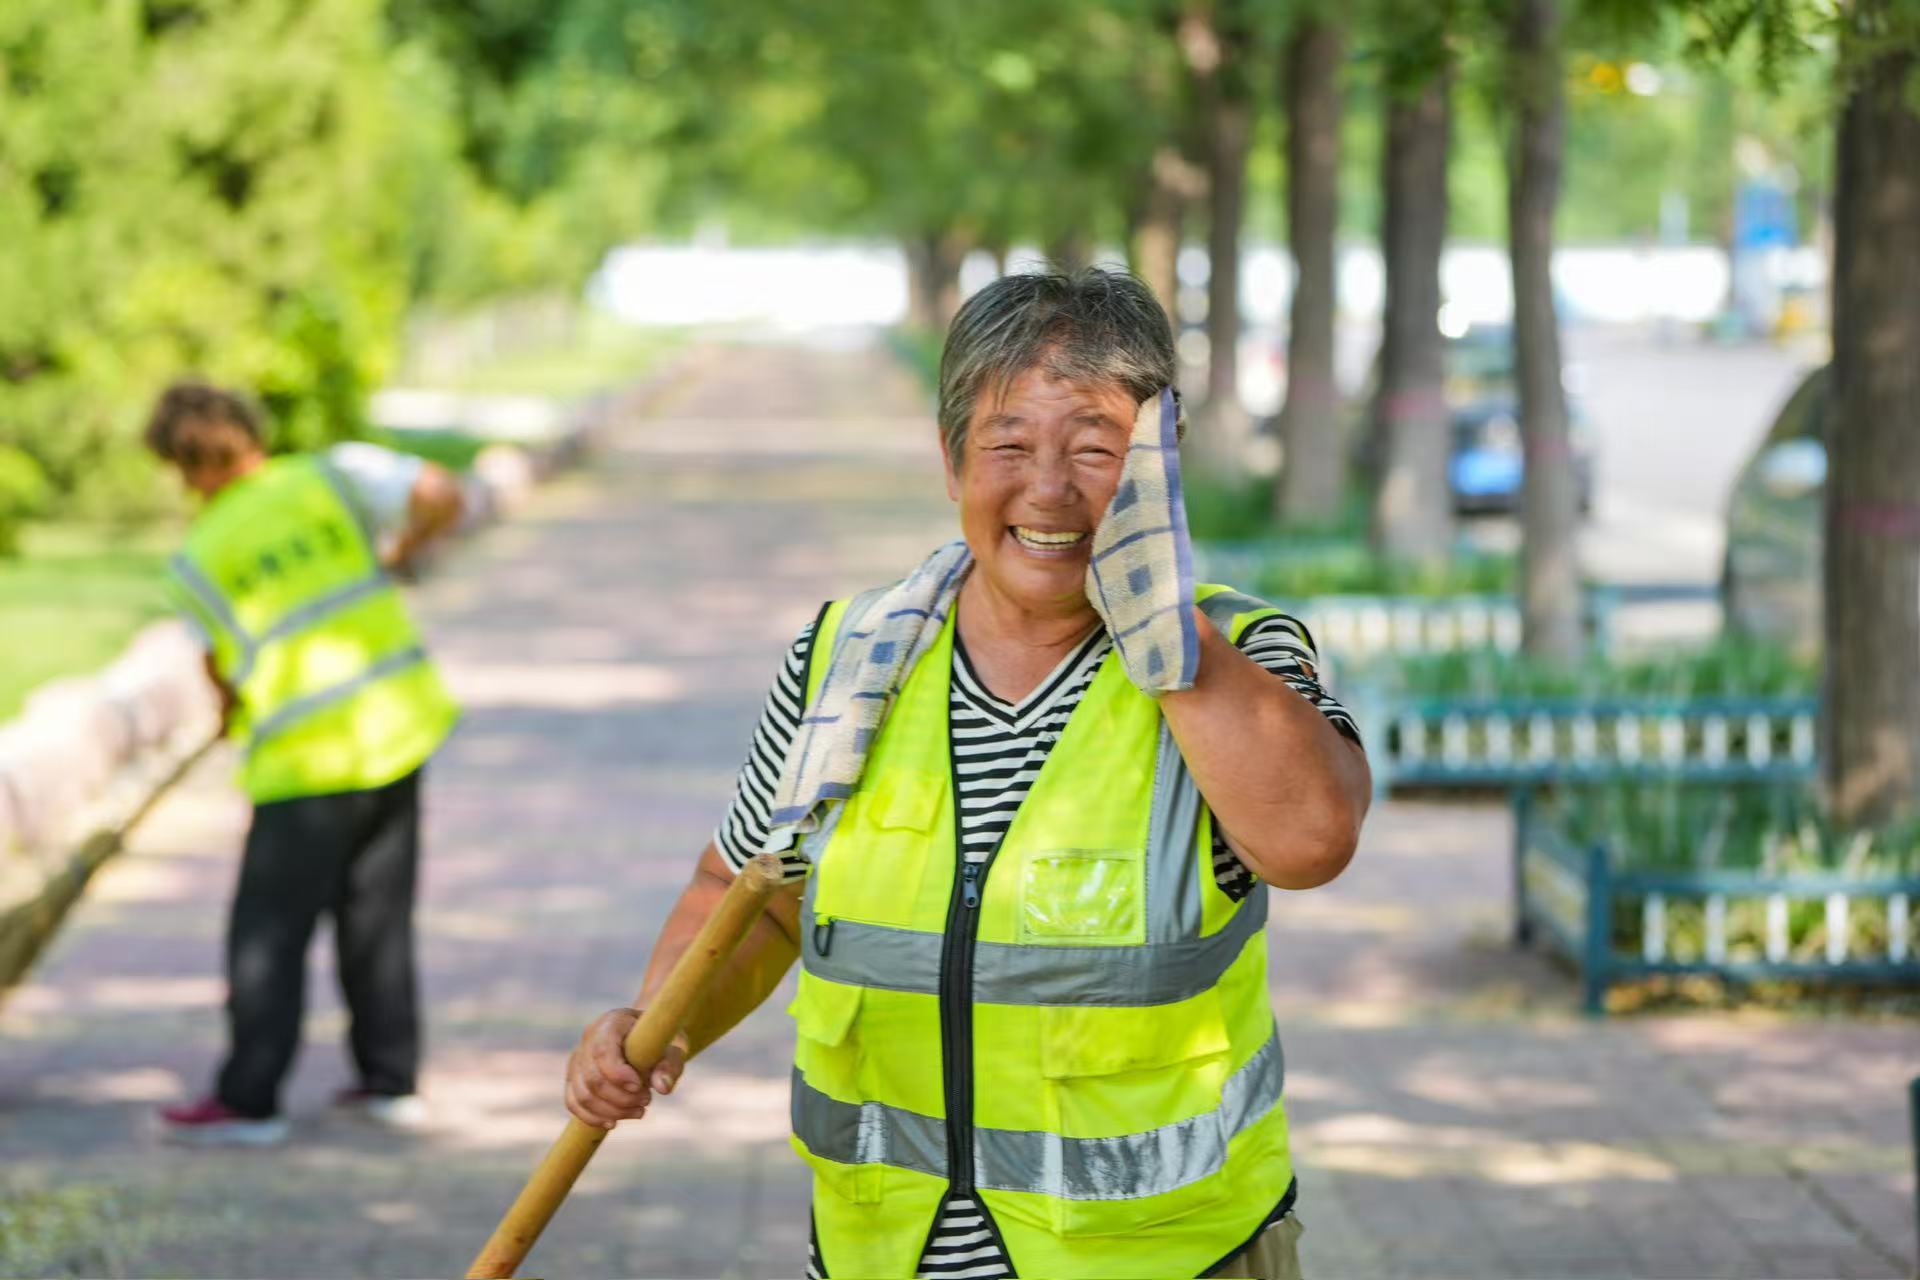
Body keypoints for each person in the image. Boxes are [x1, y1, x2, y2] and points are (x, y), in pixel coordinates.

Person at [564, 268, 1371, 1278]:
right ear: (952, 462)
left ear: (1160, 469)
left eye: (1096, 448)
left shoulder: (1240, 653)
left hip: (1168, 1258)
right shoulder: (845, 658)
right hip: (880, 1253)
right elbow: (751, 894)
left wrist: (1171, 636)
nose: (1050, 488)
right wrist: (660, 1025)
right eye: (1008, 445)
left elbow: (1311, 841)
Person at [146, 381, 464, 1147]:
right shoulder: (330, 474)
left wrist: (228, 718)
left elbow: (219, 670)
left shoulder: (197, 557)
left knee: (268, 934)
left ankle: (250, 1100)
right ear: (249, 432)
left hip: (304, 760)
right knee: (378, 919)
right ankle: (390, 1082)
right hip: (397, 725)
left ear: (182, 465)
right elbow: (441, 491)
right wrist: (402, 551)